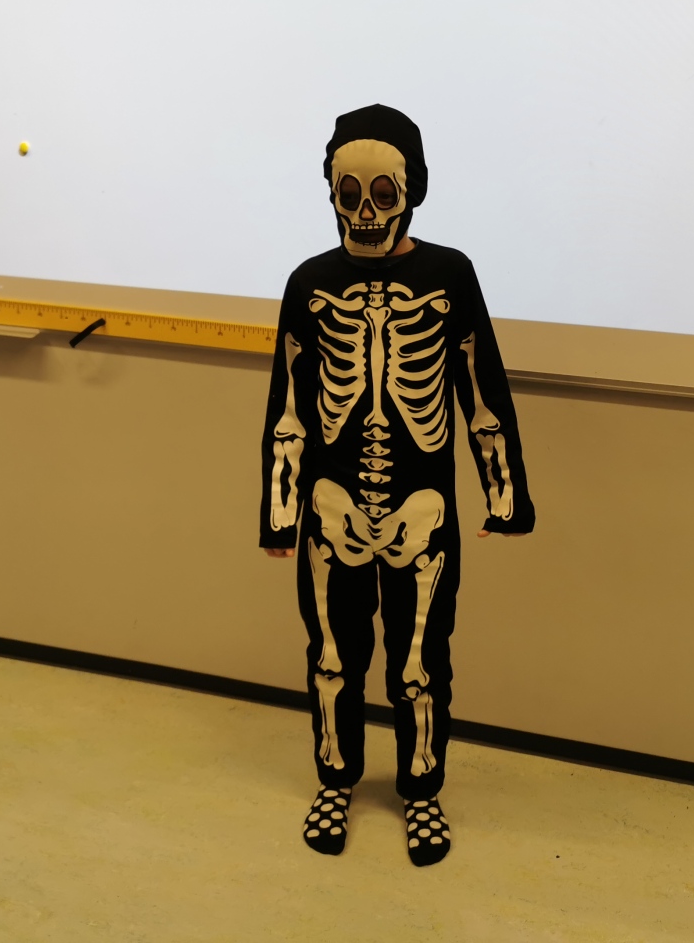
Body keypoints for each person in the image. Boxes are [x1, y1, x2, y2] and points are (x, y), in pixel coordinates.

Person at [258, 104, 535, 867]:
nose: (366, 213)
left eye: (383, 194)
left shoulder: (449, 274)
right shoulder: (310, 282)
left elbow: (482, 387)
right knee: (331, 656)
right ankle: (336, 780)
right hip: (331, 506)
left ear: (412, 192)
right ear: (331, 192)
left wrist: (504, 497)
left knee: (421, 662)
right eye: (350, 194)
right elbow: (288, 406)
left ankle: (421, 790)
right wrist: (280, 514)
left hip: (423, 509)